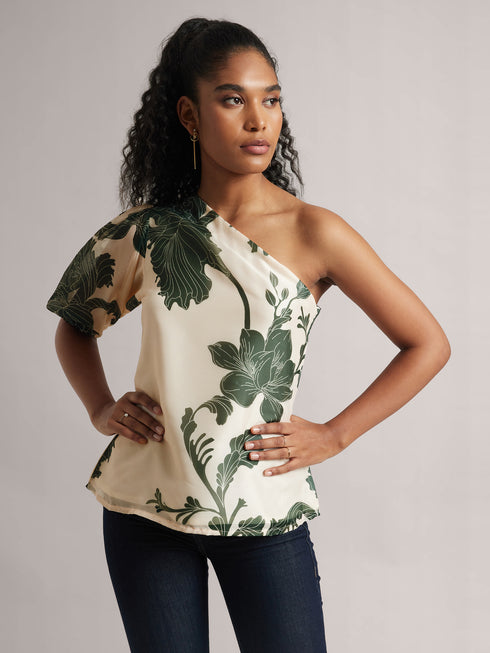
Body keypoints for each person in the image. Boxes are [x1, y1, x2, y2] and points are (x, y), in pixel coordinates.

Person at [46, 17, 450, 653]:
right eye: (233, 100)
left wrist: (336, 434)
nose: (259, 120)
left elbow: (428, 344)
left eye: (272, 99)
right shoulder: (147, 230)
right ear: (189, 115)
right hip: (146, 508)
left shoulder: (316, 232)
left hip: (263, 506)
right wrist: (99, 407)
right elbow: (75, 325)